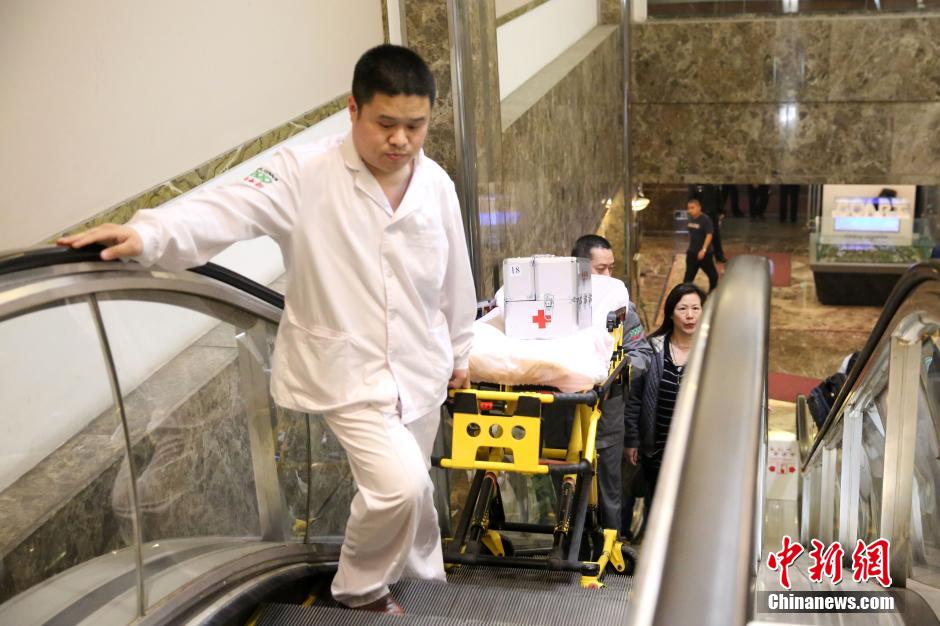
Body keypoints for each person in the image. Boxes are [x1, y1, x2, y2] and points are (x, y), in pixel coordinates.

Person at [58, 44, 477, 615]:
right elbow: (223, 207)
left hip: (421, 368)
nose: (401, 140)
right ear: (353, 109)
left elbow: (454, 276)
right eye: (386, 124)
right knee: (399, 487)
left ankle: (424, 585)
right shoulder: (301, 173)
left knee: (417, 489)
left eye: (415, 125)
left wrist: (460, 350)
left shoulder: (435, 184)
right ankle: (360, 591)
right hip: (349, 373)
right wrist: (149, 235)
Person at [570, 235, 652, 536]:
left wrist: (615, 371)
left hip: (607, 418)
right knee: (567, 492)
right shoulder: (557, 307)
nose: (608, 276)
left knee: (609, 493)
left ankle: (610, 547)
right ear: (579, 270)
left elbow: (642, 353)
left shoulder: (622, 309)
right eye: (600, 269)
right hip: (563, 421)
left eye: (611, 268)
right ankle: (571, 547)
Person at [623, 283, 706, 518]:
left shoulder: (712, 352)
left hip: (695, 453)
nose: (690, 315)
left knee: (689, 511)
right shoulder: (652, 348)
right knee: (657, 512)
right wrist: (632, 440)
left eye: (695, 308)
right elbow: (635, 399)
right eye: (682, 309)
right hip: (656, 450)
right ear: (671, 313)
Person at [682, 198, 719, 292]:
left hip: (705, 254)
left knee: (713, 276)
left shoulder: (706, 220)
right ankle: (684, 294)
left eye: (692, 208)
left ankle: (712, 292)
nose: (690, 210)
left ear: (699, 208)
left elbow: (709, 234)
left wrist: (704, 249)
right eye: (688, 208)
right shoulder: (690, 219)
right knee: (688, 277)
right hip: (692, 252)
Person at [688, 184, 726, 263]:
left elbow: (719, 197)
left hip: (712, 213)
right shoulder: (695, 185)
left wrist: (721, 211)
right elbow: (691, 199)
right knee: (699, 236)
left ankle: (719, 256)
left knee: (715, 235)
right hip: (700, 214)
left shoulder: (714, 185)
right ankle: (698, 255)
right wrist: (693, 211)